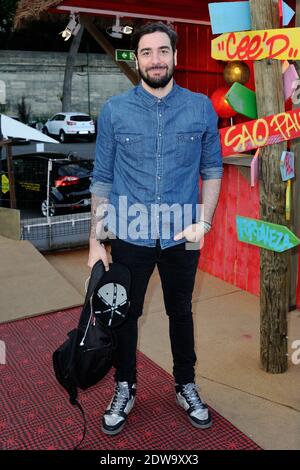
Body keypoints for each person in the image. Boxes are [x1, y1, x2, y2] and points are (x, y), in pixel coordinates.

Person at [88, 22, 223, 436]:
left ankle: (185, 384)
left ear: (175, 56)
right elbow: (103, 178)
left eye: (163, 51)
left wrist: (204, 221)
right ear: (136, 58)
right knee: (126, 314)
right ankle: (125, 386)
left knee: (181, 312)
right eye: (146, 52)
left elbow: (213, 169)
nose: (156, 60)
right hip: (131, 234)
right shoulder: (115, 111)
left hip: (183, 235)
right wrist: (97, 240)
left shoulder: (201, 107)